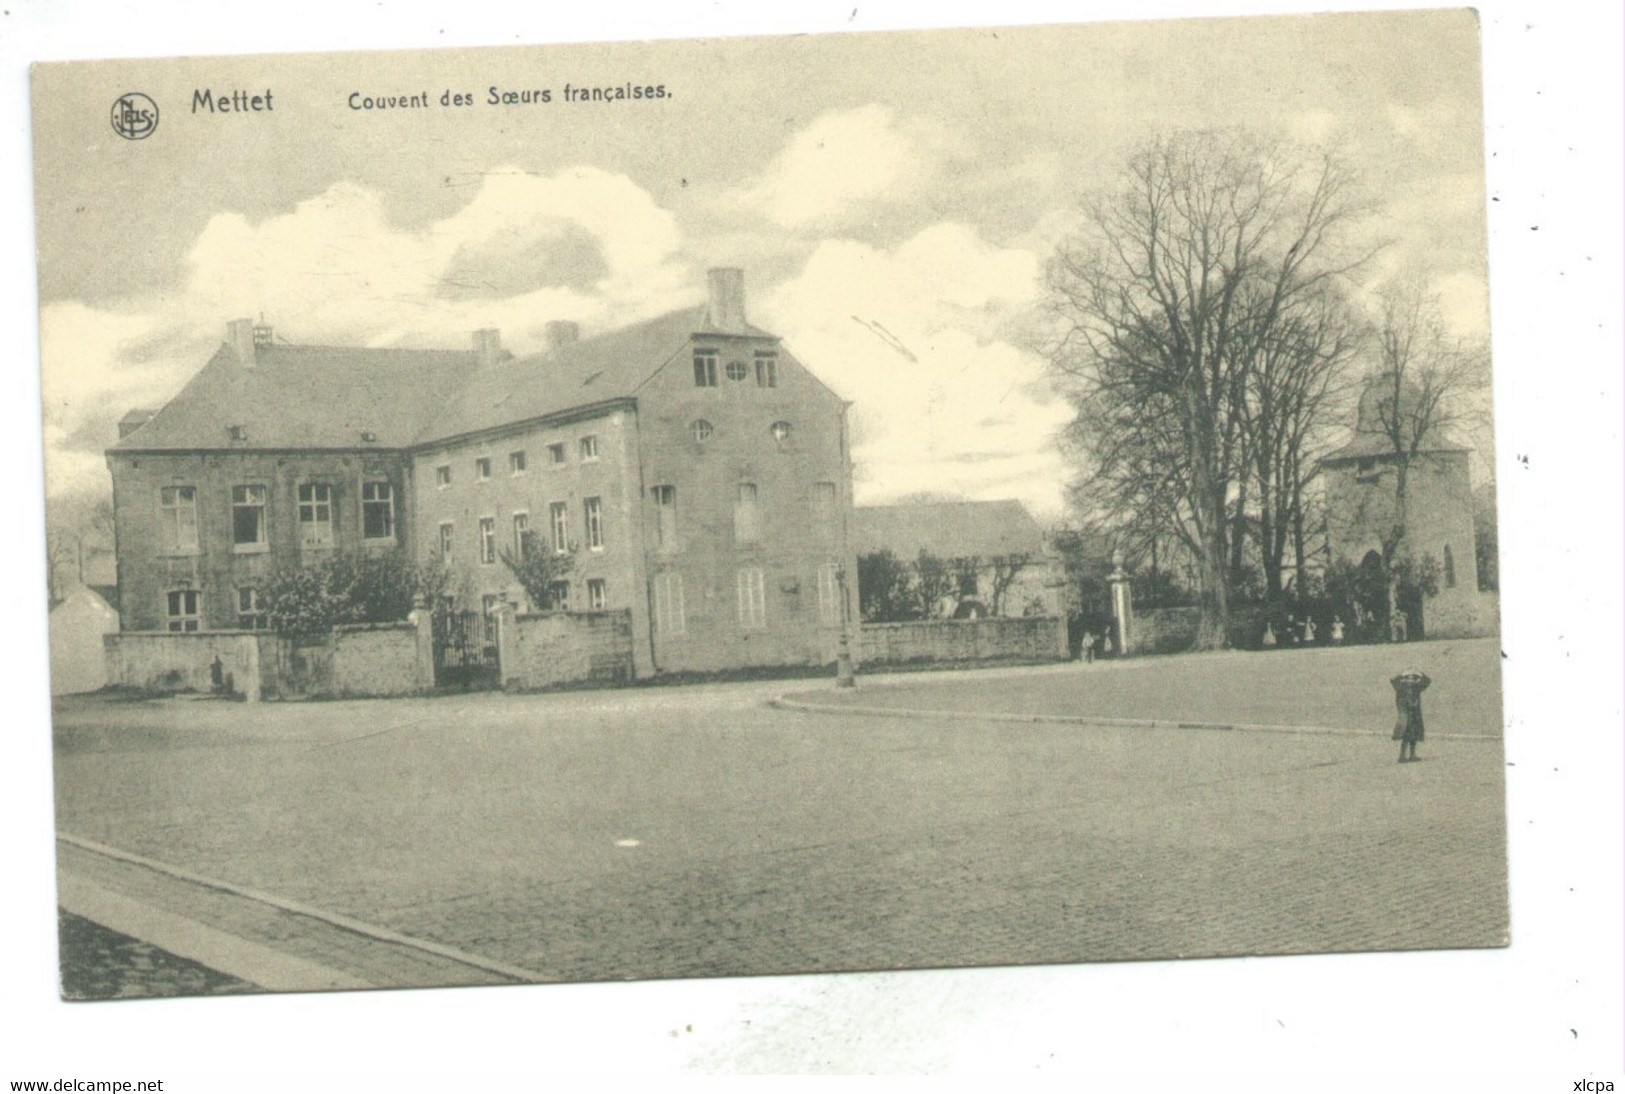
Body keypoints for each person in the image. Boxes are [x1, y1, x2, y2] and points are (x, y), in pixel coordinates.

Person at [1390, 669, 1431, 763]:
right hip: (1408, 716)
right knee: (1406, 737)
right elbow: (1393, 680)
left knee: (1413, 737)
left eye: (1412, 678)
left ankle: (1410, 755)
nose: (1410, 680)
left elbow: (1427, 681)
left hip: (1413, 716)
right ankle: (1403, 755)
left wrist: (1419, 674)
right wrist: (1404, 674)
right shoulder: (1405, 688)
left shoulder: (1410, 687)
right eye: (1408, 678)